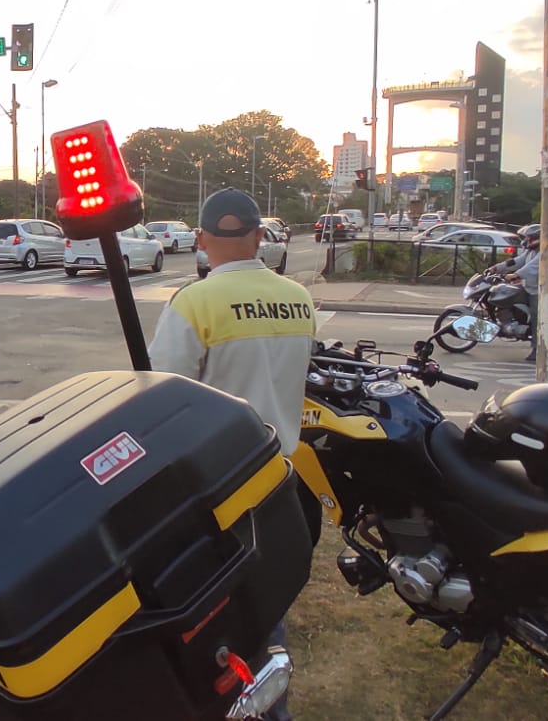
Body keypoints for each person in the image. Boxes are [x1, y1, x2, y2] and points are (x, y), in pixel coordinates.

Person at [148, 188, 317, 721]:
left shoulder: (194, 303)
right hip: (278, 477)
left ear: (200, 240)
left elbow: (161, 399)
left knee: (217, 612)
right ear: (259, 237)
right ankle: (271, 703)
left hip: (214, 486)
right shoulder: (298, 299)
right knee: (267, 602)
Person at [496, 224, 542, 361]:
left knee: (536, 317)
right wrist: (497, 268)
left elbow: (532, 267)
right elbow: (517, 261)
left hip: (537, 290)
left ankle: (537, 349)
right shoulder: (530, 251)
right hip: (527, 286)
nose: (526, 240)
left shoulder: (544, 252)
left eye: (528, 237)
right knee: (506, 296)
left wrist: (516, 275)